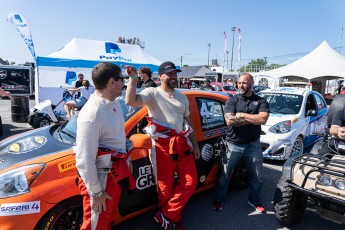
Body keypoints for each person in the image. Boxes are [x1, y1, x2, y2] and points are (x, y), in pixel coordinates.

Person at [125, 61, 200, 230]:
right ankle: (172, 219)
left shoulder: (182, 97)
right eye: (170, 74)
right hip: (161, 146)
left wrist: (195, 145)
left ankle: (166, 215)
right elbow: (130, 101)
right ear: (161, 76)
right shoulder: (152, 92)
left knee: (190, 182)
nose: (174, 77)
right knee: (164, 188)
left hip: (182, 144)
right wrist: (133, 78)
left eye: (175, 74)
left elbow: (189, 122)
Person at [75, 62, 135, 230]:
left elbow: (117, 137)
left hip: (114, 174)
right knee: (95, 225)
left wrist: (127, 159)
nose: (123, 83)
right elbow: (84, 159)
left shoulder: (113, 102)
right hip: (101, 182)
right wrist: (96, 193)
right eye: (122, 79)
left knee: (106, 219)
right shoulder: (92, 113)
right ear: (111, 82)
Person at [213, 73, 269, 213]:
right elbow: (230, 121)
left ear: (251, 83)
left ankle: (254, 200)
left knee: (257, 175)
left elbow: (263, 119)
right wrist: (253, 118)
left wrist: (242, 115)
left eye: (244, 83)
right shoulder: (232, 100)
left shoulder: (261, 101)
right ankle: (219, 199)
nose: (240, 85)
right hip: (233, 144)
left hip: (253, 144)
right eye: (239, 83)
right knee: (224, 174)